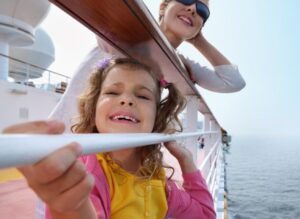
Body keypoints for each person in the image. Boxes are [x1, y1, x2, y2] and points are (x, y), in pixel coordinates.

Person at [3, 58, 216, 219]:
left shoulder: (157, 180)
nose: (126, 100)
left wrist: (186, 161)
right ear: (94, 107)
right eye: (113, 92)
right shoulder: (87, 175)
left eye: (142, 96)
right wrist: (71, 206)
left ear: (157, 116)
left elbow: (205, 215)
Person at [49, 0, 246, 133]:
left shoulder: (181, 63)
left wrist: (198, 39)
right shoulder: (130, 26)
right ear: (163, 7)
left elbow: (233, 83)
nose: (193, 9)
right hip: (64, 134)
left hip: (107, 149)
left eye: (202, 11)